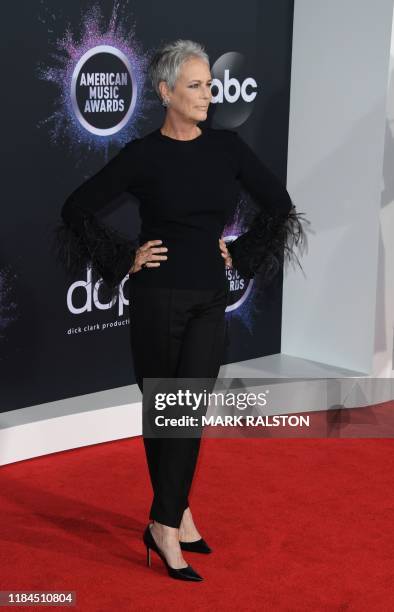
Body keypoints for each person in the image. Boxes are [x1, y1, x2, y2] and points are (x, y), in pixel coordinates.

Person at [53, 39, 307, 582]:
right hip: (157, 298)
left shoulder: (227, 149)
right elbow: (76, 208)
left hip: (210, 297)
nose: (207, 95)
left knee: (186, 411)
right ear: (166, 92)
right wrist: (126, 256)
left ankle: (164, 520)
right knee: (165, 412)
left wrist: (238, 252)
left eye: (208, 85)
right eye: (195, 86)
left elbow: (280, 205)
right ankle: (175, 519)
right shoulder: (144, 155)